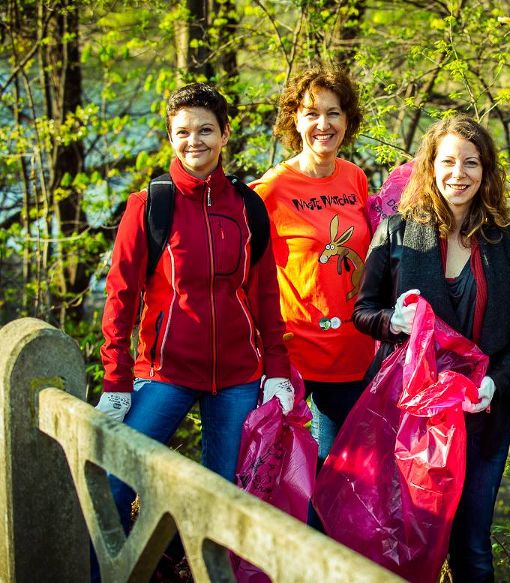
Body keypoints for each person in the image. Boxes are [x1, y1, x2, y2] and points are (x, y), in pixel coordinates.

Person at [94, 83, 291, 574]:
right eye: (182, 132)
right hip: (166, 371)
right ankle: (114, 573)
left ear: (225, 134)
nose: (194, 141)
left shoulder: (248, 207)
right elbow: (120, 296)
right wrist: (117, 381)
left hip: (239, 377)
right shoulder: (149, 205)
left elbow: (266, 294)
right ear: (170, 137)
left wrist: (278, 370)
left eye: (206, 130)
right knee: (115, 478)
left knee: (226, 498)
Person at [353, 115, 510, 582]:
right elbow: (363, 311)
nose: (459, 174)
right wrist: (391, 322)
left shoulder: (506, 242)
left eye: (471, 163)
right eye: (448, 161)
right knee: (407, 541)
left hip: (481, 419)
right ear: (430, 167)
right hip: (411, 423)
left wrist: (496, 383)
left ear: (485, 170)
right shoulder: (396, 232)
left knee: (472, 548)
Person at [251, 66, 375, 469]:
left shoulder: (355, 178)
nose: (324, 124)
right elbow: (248, 273)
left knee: (340, 474)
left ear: (347, 120)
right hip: (293, 357)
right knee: (281, 472)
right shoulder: (272, 188)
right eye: (311, 113)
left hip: (352, 352)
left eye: (334, 113)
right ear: (296, 122)